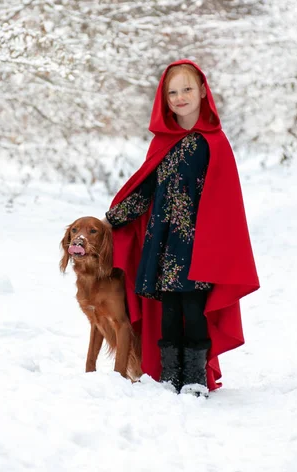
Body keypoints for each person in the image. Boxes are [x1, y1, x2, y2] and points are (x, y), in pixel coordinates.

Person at [103, 60, 260, 396]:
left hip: (198, 246)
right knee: (169, 311)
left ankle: (196, 379)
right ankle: (170, 377)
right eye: (172, 92)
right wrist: (112, 219)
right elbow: (146, 190)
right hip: (161, 245)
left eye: (187, 89)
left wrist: (216, 245)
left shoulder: (214, 142)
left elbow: (223, 203)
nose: (180, 97)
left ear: (203, 91)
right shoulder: (163, 142)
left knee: (194, 309)